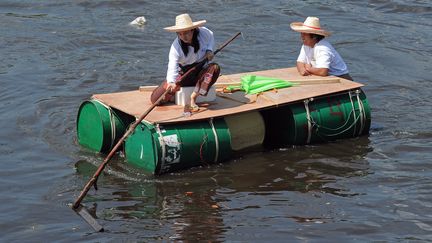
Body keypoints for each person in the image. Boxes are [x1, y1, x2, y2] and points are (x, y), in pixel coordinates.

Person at [150, 13, 220, 111]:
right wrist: (171, 82)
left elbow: (211, 37)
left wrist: (209, 50)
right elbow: (172, 65)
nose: (183, 37)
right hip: (184, 73)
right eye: (180, 34)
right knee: (156, 100)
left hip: (201, 70)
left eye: (186, 33)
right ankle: (173, 93)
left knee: (215, 68)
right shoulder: (176, 47)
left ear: (193, 30)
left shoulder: (204, 33)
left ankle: (193, 97)